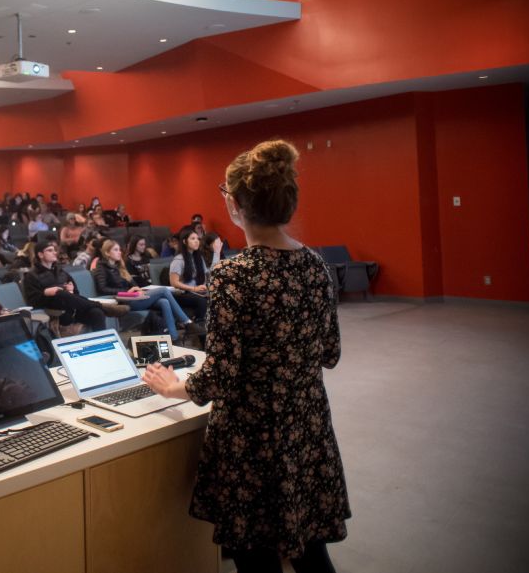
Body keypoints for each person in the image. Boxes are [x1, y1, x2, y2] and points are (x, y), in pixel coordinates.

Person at [143, 140, 348, 573]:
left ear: (234, 204)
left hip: (253, 440)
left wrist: (172, 386)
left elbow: (220, 376)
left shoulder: (234, 274)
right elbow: (329, 353)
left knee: (256, 560)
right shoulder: (316, 265)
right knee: (311, 553)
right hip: (307, 427)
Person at [94, 239, 198, 342]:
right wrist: (126, 292)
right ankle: (187, 322)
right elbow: (103, 289)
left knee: (164, 301)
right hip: (122, 301)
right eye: (115, 250)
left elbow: (132, 283)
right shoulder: (101, 267)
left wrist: (137, 289)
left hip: (133, 297)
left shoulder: (119, 266)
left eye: (119, 250)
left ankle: (173, 337)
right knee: (163, 291)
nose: (119, 252)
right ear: (107, 253)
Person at [20, 240, 106, 336]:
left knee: (97, 313)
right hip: (56, 314)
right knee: (60, 293)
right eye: (50, 250)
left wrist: (72, 291)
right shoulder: (31, 276)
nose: (54, 253)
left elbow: (76, 293)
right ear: (40, 255)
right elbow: (32, 301)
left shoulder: (61, 272)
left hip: (72, 310)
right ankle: (101, 305)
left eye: (54, 250)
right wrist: (45, 293)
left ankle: (103, 343)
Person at [169, 227, 211, 325]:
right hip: (183, 293)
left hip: (197, 291)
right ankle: (197, 326)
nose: (197, 241)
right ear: (184, 241)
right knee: (202, 302)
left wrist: (203, 288)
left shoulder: (199, 257)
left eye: (197, 239)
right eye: (193, 239)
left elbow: (204, 276)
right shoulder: (178, 260)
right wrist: (194, 289)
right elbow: (174, 282)